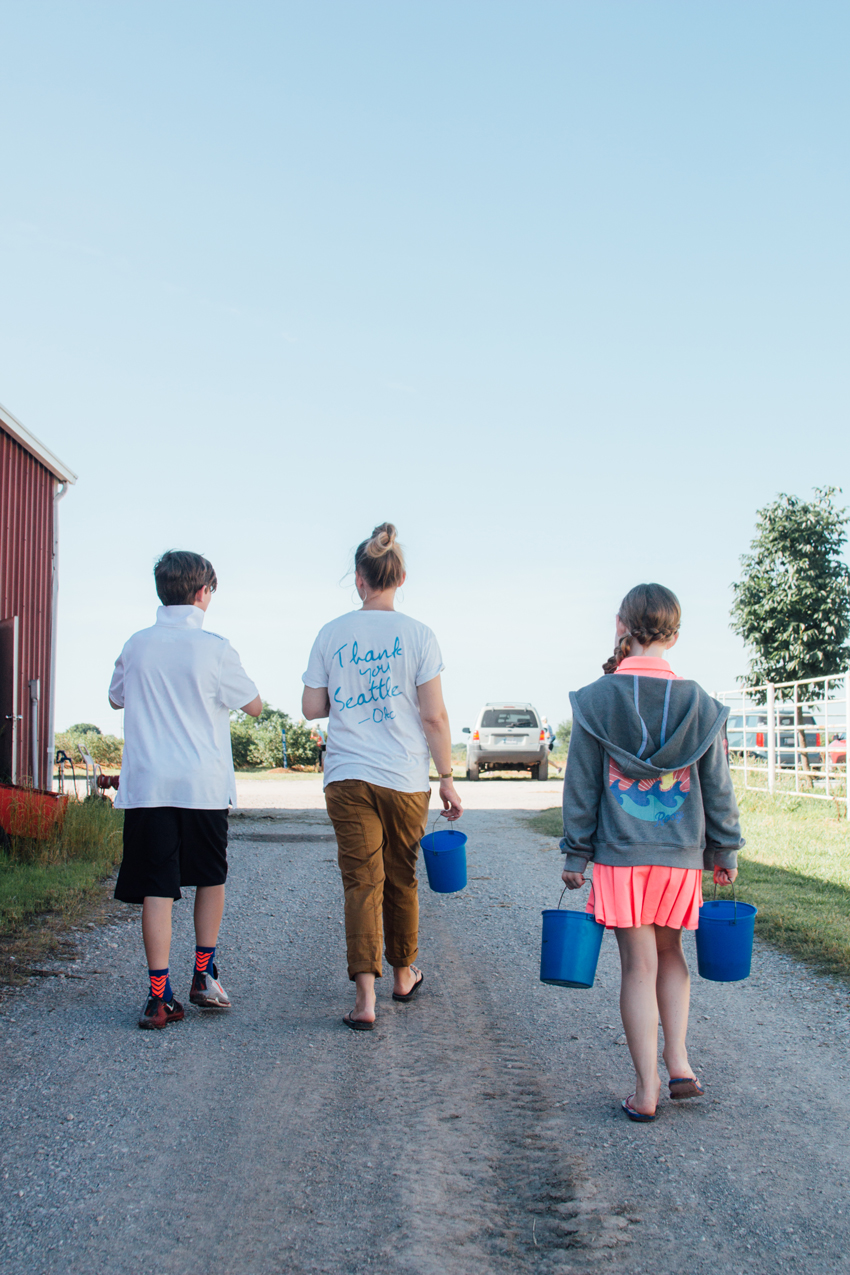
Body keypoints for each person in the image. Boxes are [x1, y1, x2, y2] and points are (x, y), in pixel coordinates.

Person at [560, 583, 743, 1121]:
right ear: (675, 636)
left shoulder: (596, 701)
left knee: (637, 968)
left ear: (621, 627)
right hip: (679, 858)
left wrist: (576, 855)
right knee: (672, 958)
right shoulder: (700, 705)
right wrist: (724, 849)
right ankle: (680, 1061)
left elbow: (582, 786)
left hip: (621, 858)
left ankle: (645, 1091)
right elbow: (718, 786)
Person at [302, 522, 463, 1031]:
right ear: (401, 577)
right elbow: (434, 717)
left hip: (348, 775)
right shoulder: (420, 635)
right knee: (401, 877)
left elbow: (311, 708)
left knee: (360, 882)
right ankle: (402, 974)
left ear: (359, 580)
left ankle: (365, 1000)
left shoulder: (331, 633)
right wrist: (447, 777)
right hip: (405, 777)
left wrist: (343, 690)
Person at [109, 550, 261, 1029]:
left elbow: (116, 697)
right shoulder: (216, 648)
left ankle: (159, 997)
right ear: (203, 593)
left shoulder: (136, 645)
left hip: (149, 785)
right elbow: (255, 706)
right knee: (210, 877)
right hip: (203, 785)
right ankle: (204, 975)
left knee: (158, 887)